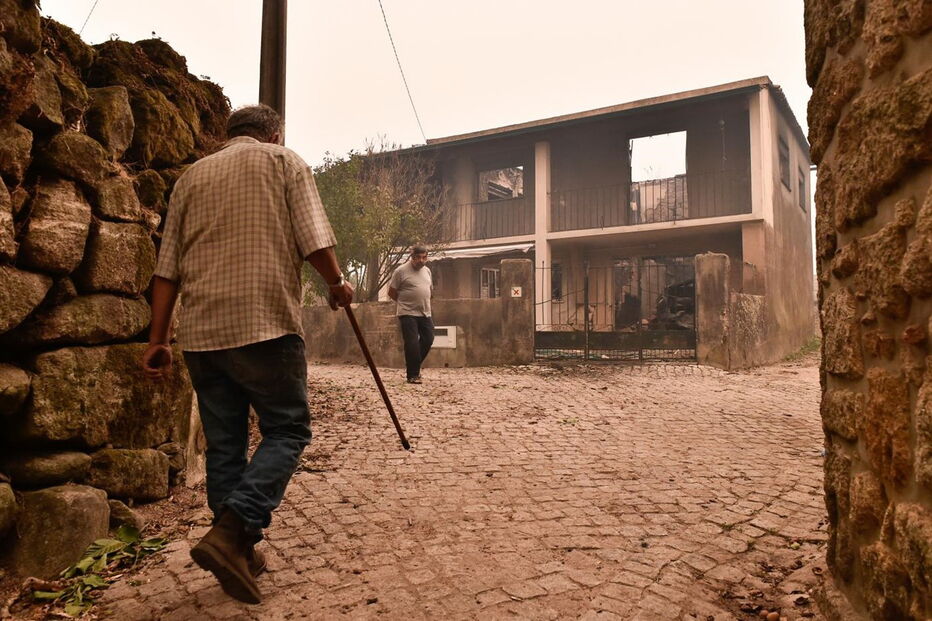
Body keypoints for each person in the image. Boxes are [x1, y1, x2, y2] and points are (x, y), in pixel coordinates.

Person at [141, 104, 353, 605]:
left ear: (228, 134)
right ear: (273, 132)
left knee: (225, 445)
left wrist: (157, 340)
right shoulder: (283, 161)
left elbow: (166, 270)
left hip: (202, 336)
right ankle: (233, 531)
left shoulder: (191, 178)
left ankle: (239, 547)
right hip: (265, 326)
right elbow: (313, 238)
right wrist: (337, 283)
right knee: (288, 429)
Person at [388, 246, 434, 384]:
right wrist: (404, 303)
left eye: (424, 257)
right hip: (407, 312)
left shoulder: (427, 271)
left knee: (429, 339)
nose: (421, 260)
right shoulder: (400, 271)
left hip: (425, 312)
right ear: (411, 257)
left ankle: (413, 366)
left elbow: (429, 290)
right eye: (418, 257)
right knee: (412, 343)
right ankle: (413, 375)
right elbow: (392, 292)